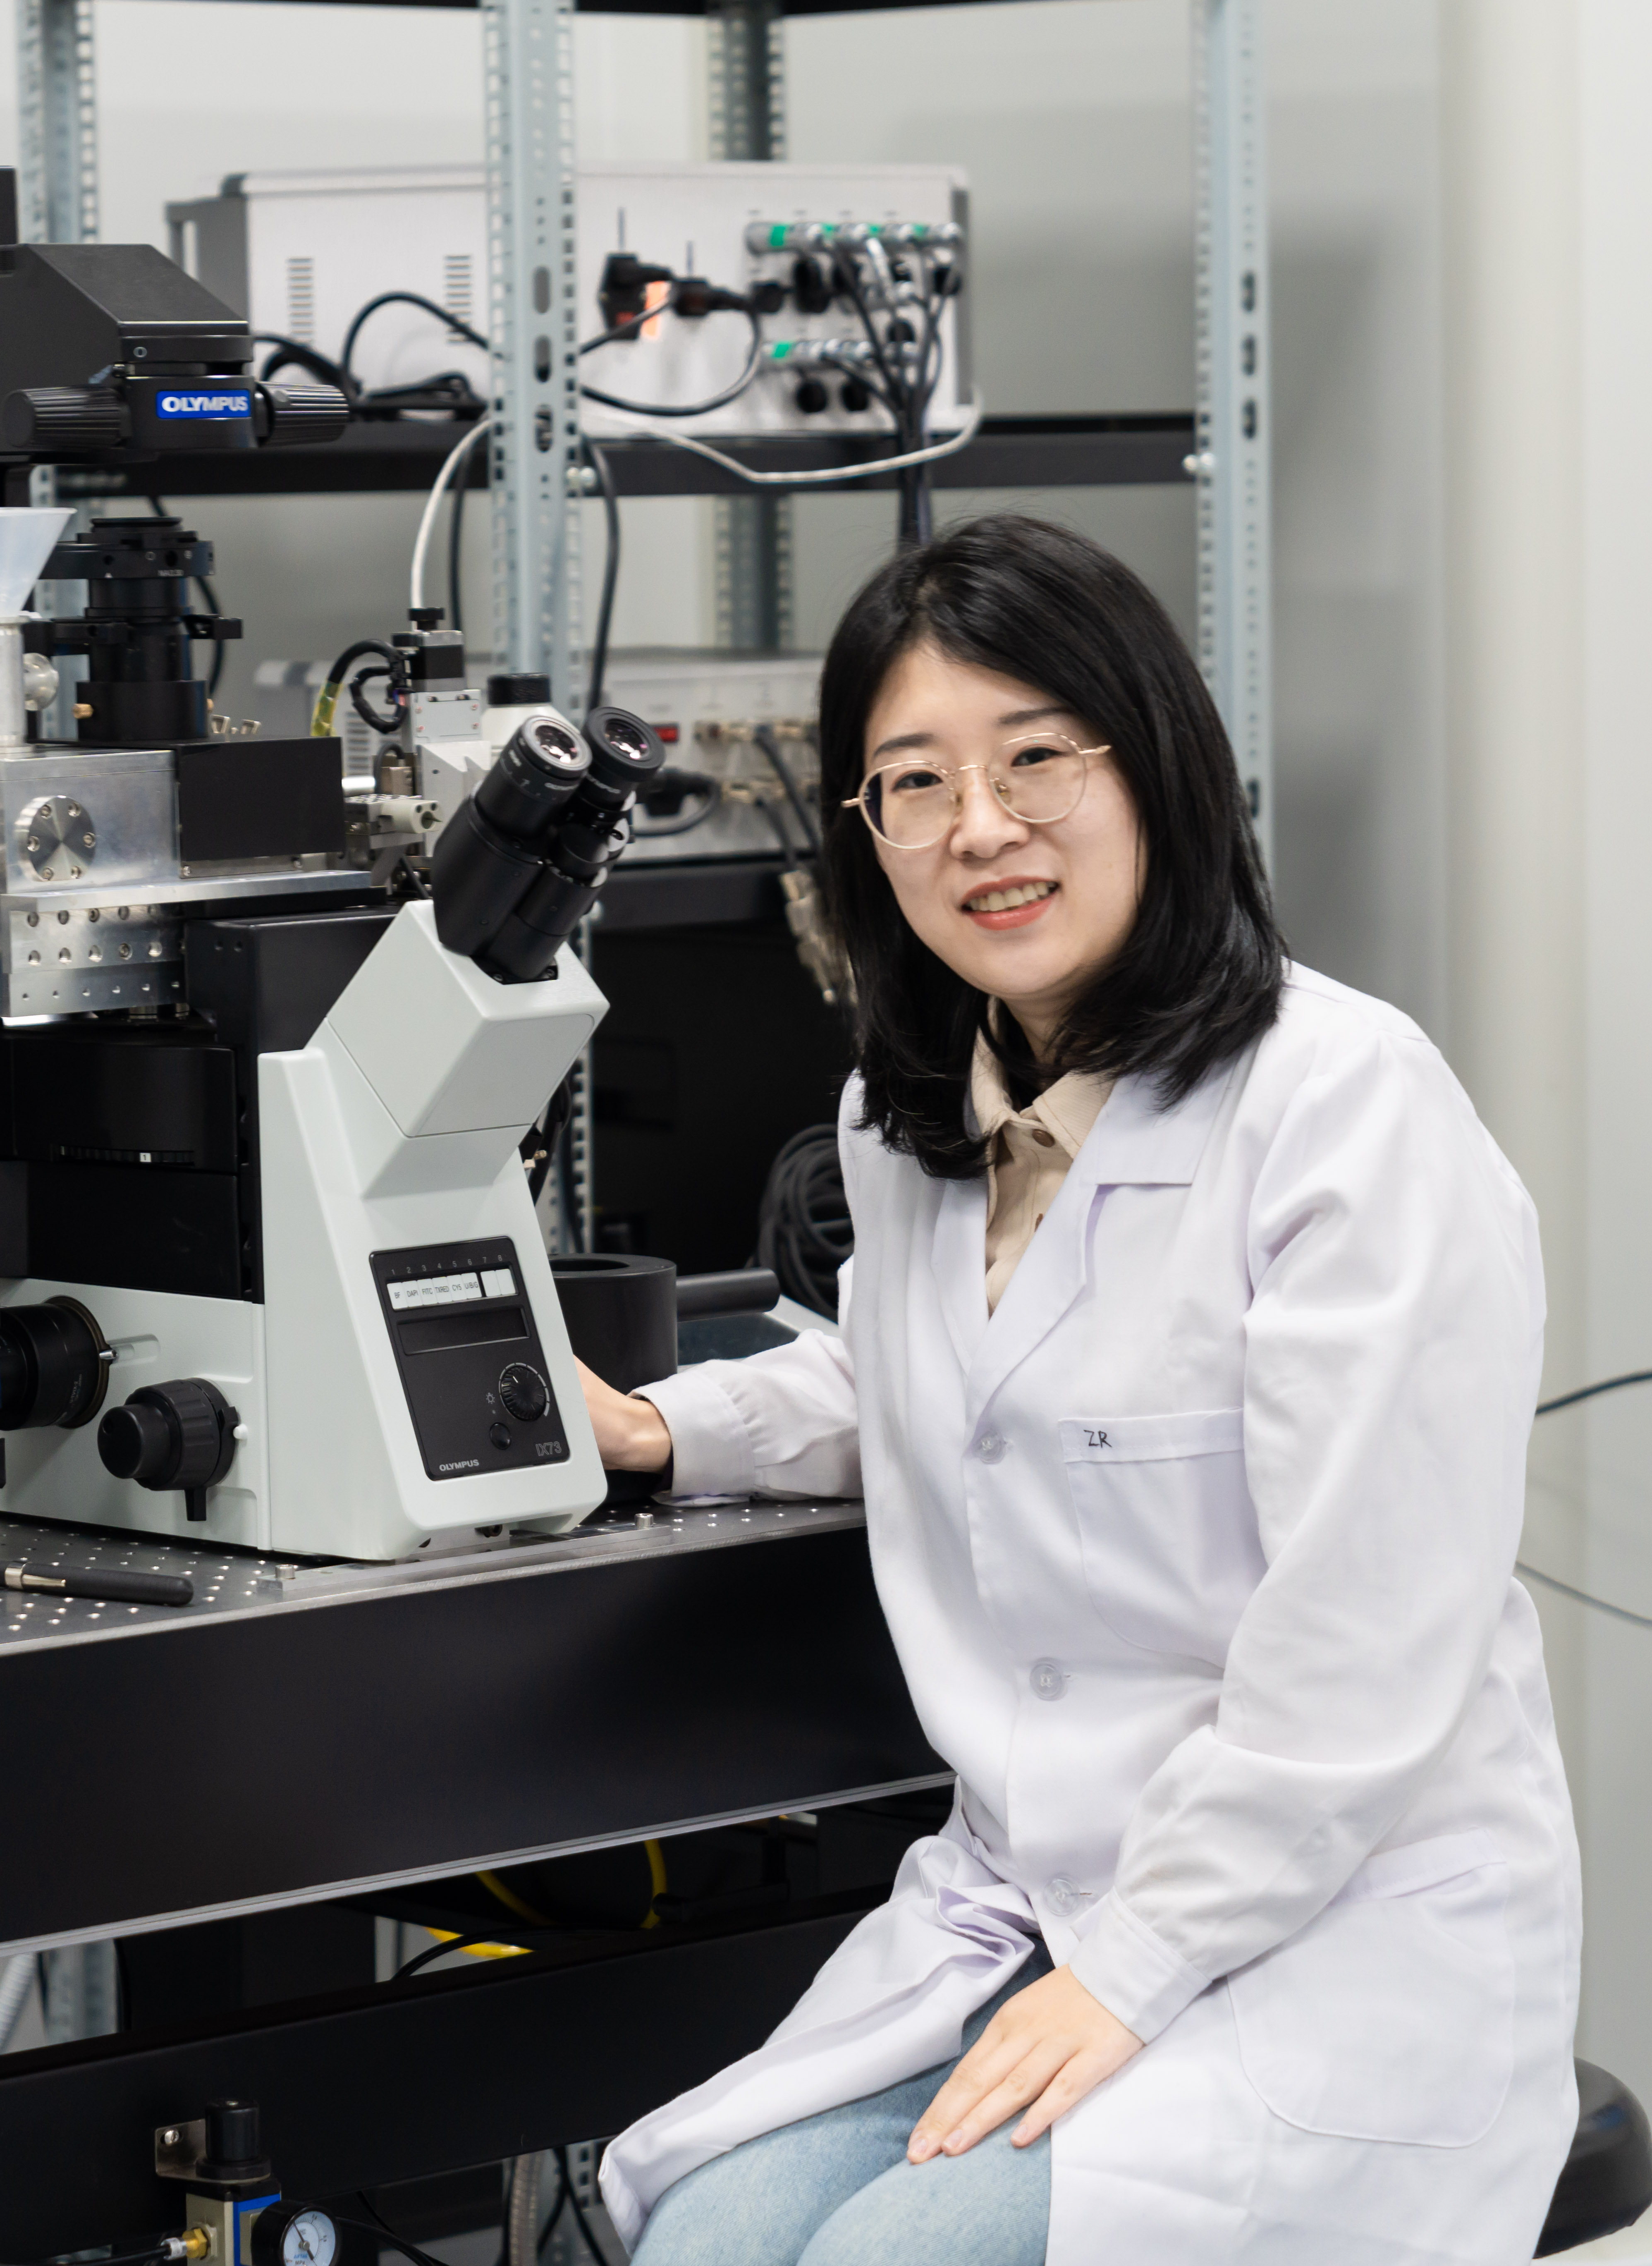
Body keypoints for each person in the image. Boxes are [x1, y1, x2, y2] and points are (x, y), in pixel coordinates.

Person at [580, 515, 1580, 2266]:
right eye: (914, 782)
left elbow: (1358, 1666)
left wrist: (1126, 1970)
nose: (980, 826)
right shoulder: (911, 1117)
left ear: (1158, 767)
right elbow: (935, 1376)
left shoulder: (1344, 1107)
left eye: (1036, 757)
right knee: (707, 2239)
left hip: (1324, 1929)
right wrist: (669, 1429)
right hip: (1024, 1908)